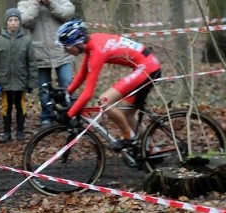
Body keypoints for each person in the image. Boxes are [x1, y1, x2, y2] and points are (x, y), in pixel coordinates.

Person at [55, 20, 162, 150]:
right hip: (148, 65)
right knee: (127, 115)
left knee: (104, 100)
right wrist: (67, 92)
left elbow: (88, 93)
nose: (65, 51)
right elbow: (83, 73)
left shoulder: (97, 51)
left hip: (147, 68)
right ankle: (152, 150)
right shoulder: (92, 42)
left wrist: (69, 115)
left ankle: (128, 137)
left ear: (76, 43)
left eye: (66, 47)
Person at [18, 0, 75, 125]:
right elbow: (25, 21)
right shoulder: (25, 3)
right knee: (44, 88)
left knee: (67, 84)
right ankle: (47, 116)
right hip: (39, 53)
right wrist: (35, 4)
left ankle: (69, 114)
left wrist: (50, 3)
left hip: (62, 51)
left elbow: (68, 13)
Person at [0, 8, 37, 142]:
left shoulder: (26, 40)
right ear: (6, 22)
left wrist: (31, 82)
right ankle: (7, 131)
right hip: (5, 81)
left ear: (20, 22)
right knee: (6, 106)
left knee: (20, 106)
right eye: (10, 20)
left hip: (21, 81)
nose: (13, 23)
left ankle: (20, 131)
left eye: (16, 20)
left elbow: (31, 63)